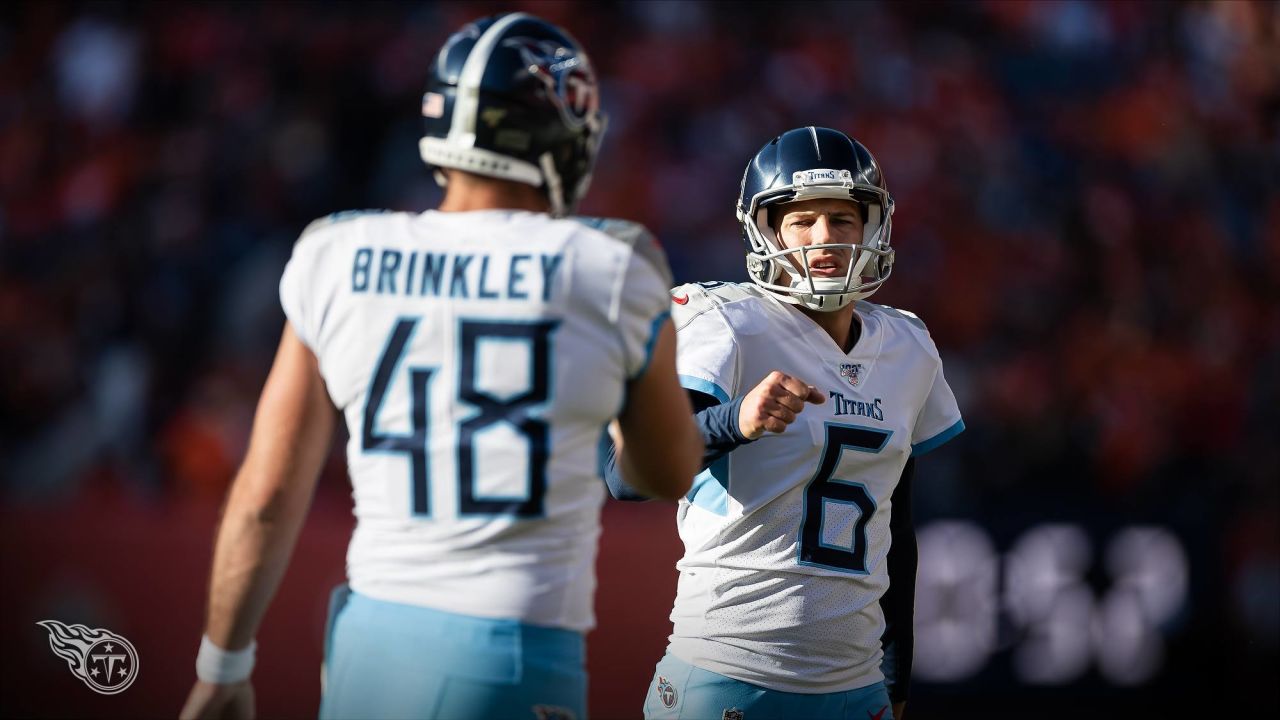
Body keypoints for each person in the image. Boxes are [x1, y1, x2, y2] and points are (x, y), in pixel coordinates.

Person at [180, 12, 702, 720]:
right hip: (512, 655)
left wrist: (223, 663)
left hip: (367, 643)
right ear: (558, 132)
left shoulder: (338, 251)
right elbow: (665, 473)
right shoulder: (610, 266)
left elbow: (268, 491)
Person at [605, 126, 964, 720]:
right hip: (729, 675)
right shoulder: (725, 323)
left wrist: (895, 678)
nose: (825, 238)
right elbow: (626, 477)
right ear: (766, 230)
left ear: (873, 228)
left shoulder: (907, 345)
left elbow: (895, 531)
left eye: (843, 219)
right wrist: (733, 421)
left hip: (857, 686)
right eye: (803, 221)